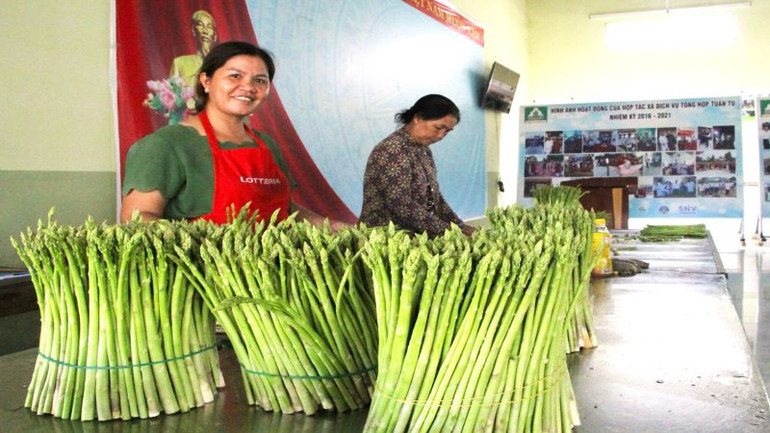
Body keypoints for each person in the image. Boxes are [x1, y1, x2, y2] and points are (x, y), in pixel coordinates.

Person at [121, 41, 347, 230]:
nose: (248, 87)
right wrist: (205, 250)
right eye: (235, 76)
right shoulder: (165, 145)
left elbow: (284, 210)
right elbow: (138, 218)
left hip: (269, 272)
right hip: (206, 276)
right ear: (206, 81)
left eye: (260, 80)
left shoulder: (265, 144)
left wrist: (330, 225)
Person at [359, 94, 476, 237]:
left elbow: (435, 197)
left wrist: (460, 226)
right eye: (438, 127)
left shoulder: (423, 150)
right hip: (385, 240)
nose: (441, 135)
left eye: (447, 131)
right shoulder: (392, 149)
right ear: (417, 118)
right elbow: (401, 205)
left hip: (415, 236)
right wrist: (451, 231)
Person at [170, 10, 218, 92]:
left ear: (215, 36)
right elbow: (172, 98)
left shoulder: (221, 65)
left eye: (209, 27)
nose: (205, 31)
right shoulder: (179, 63)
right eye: (200, 25)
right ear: (193, 30)